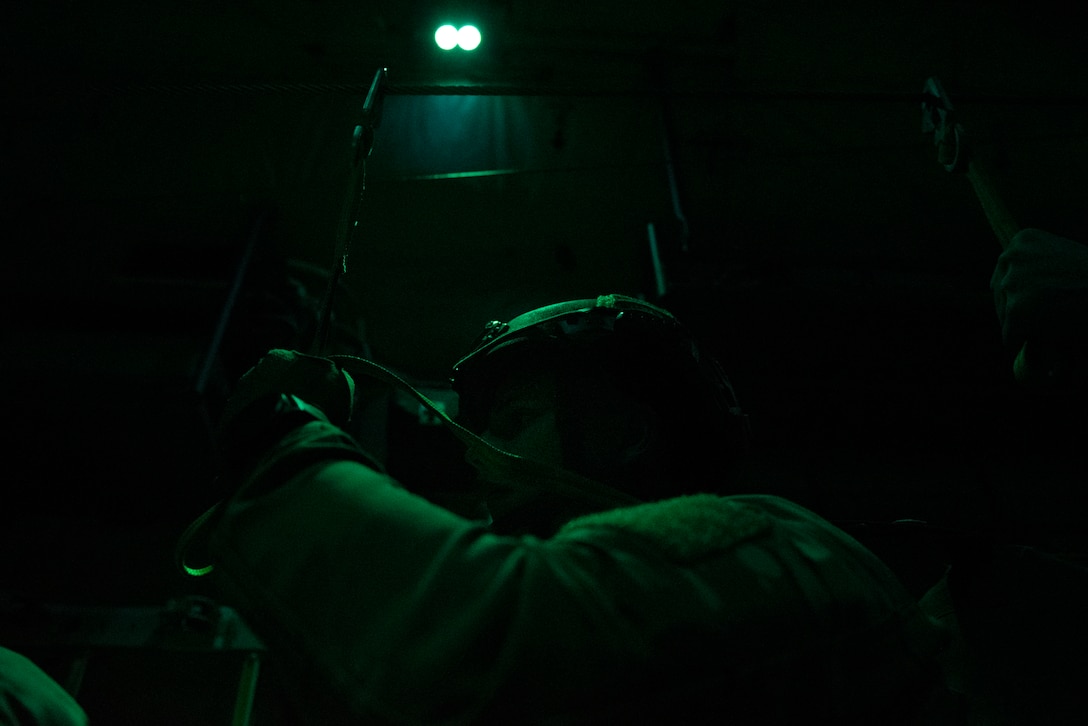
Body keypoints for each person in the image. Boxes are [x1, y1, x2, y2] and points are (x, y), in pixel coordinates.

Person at [181, 293, 949, 724]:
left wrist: (280, 443)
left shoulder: (779, 543)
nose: (475, 453)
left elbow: (489, 650)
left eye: (513, 423)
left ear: (621, 433)